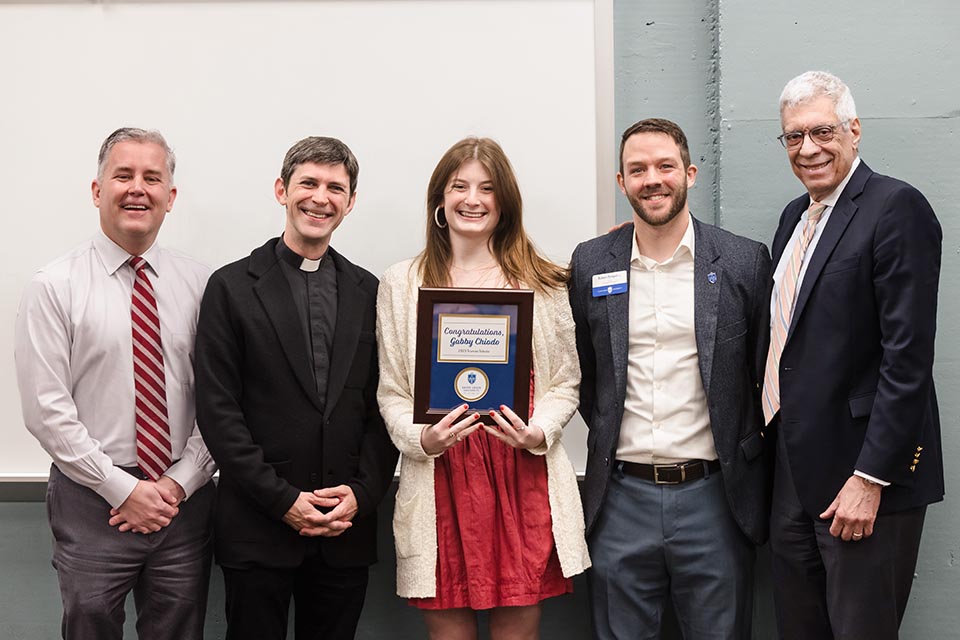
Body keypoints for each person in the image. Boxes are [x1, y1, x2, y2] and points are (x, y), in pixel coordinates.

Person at [376, 136, 590, 640]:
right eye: (459, 187)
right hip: (439, 481)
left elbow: (565, 381)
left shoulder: (545, 282)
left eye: (487, 188)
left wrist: (538, 432)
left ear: (504, 203)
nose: (473, 199)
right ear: (440, 202)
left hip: (520, 477)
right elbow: (392, 391)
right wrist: (419, 439)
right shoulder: (400, 283)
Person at [568, 118, 772, 639]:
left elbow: (760, 376)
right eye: (637, 170)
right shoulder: (592, 263)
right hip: (620, 501)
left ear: (690, 173)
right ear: (621, 182)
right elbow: (591, 378)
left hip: (716, 499)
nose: (651, 179)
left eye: (664, 166)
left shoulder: (743, 261)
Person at [14, 128, 216, 640]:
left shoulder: (202, 285)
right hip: (90, 496)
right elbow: (46, 410)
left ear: (170, 198)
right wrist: (121, 488)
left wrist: (177, 483)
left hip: (183, 499)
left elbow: (219, 400)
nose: (137, 189)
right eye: (122, 175)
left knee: (178, 630)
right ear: (96, 190)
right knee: (89, 627)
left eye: (152, 178)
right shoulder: (54, 285)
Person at [194, 136, 398, 640]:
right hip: (258, 527)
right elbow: (218, 411)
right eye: (308, 183)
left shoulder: (372, 291)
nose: (320, 198)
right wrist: (282, 499)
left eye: (335, 188)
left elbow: (386, 403)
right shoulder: (230, 287)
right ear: (282, 190)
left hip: (344, 528)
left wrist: (363, 494)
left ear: (350, 204)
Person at [764, 70, 943, 640]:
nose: (808, 148)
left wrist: (870, 477)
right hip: (794, 474)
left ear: (854, 130)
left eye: (822, 131)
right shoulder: (795, 218)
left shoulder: (896, 207)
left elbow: (907, 359)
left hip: (863, 480)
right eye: (794, 136)